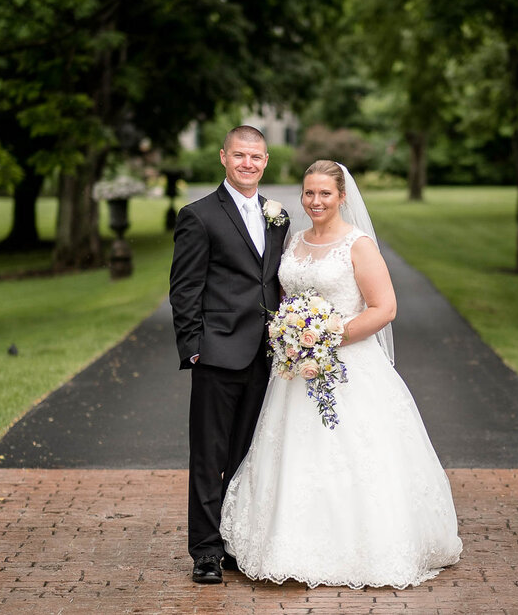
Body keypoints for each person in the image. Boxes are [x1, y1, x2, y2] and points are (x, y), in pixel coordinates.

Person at [219, 160, 462, 589]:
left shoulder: (358, 245)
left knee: (354, 455)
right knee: (291, 452)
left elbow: (384, 308)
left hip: (349, 368)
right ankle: (283, 543)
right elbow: (283, 297)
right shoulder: (293, 241)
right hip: (293, 372)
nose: (315, 201)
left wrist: (325, 338)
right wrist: (294, 336)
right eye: (308, 193)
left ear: (342, 196)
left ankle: (363, 546)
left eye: (324, 194)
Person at [169, 125, 290, 584]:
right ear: (223, 157)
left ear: (265, 162)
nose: (248, 164)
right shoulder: (198, 216)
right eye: (239, 155)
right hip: (217, 353)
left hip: (267, 356)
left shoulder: (277, 216)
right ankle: (204, 551)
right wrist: (193, 349)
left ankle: (235, 540)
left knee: (247, 453)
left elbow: (273, 282)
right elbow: (184, 289)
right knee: (209, 454)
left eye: (256, 157)